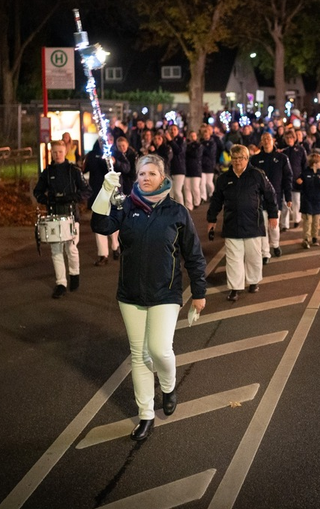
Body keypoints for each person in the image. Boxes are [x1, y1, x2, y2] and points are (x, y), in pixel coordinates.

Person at [91, 154, 207, 441]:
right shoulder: (127, 205)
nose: (145, 178)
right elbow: (100, 225)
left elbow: (194, 255)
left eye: (151, 173)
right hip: (130, 294)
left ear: (163, 177)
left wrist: (199, 293)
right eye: (141, 173)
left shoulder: (176, 212)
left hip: (165, 293)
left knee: (158, 349)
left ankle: (168, 386)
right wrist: (105, 191)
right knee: (139, 356)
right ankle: (146, 415)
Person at [207, 145, 279, 301]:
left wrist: (273, 215)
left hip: (253, 223)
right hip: (232, 224)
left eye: (240, 158)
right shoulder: (224, 179)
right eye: (234, 158)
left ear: (247, 159)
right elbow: (216, 200)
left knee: (253, 256)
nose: (237, 161)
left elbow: (270, 195)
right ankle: (235, 288)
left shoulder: (257, 175)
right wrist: (211, 219)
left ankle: (253, 282)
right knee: (233, 259)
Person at [33, 140, 91, 298]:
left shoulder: (74, 170)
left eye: (60, 151)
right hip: (54, 216)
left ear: (65, 152)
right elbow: (37, 191)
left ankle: (74, 276)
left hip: (71, 216)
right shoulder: (47, 171)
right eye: (54, 152)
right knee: (56, 250)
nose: (57, 154)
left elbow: (87, 191)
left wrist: (72, 197)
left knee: (71, 248)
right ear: (51, 153)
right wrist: (47, 200)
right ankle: (61, 283)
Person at [250, 132, 293, 263]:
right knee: (262, 226)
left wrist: (288, 197)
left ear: (273, 140)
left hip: (276, 197)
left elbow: (288, 178)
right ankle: (265, 253)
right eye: (264, 139)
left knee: (273, 226)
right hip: (260, 198)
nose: (267, 141)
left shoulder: (282, 158)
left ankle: (275, 244)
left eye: (269, 139)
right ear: (261, 142)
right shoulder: (255, 159)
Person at [83, 140, 120, 265]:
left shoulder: (114, 154)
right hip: (97, 193)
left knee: (112, 220)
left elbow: (123, 169)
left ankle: (115, 246)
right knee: (99, 224)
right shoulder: (92, 155)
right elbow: (85, 169)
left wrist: (113, 161)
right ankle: (103, 254)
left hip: (110, 192)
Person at [296, 153, 320, 248]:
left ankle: (315, 238)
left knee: (316, 222)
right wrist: (299, 183)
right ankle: (306, 239)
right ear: (314, 163)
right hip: (307, 201)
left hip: (317, 201)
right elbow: (299, 187)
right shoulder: (305, 173)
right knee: (307, 221)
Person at [281, 130, 307, 230]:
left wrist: (302, 177)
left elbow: (304, 165)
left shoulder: (301, 150)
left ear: (294, 138)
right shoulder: (284, 151)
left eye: (291, 137)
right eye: (287, 138)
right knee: (285, 203)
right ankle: (284, 224)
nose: (289, 140)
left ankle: (297, 219)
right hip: (286, 181)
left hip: (297, 180)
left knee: (296, 202)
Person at [165, 124, 187, 205]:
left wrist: (171, 141)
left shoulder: (181, 140)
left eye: (174, 129)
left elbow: (178, 151)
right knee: (170, 192)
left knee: (177, 191)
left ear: (178, 131)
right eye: (171, 129)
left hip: (179, 169)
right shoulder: (166, 141)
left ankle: (182, 208)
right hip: (170, 169)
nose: (172, 131)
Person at [184, 130, 203, 210]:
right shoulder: (186, 145)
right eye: (191, 136)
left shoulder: (199, 145)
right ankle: (189, 205)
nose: (192, 137)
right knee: (187, 187)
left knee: (195, 187)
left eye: (194, 136)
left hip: (196, 168)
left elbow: (196, 154)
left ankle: (197, 202)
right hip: (187, 169)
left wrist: (188, 152)